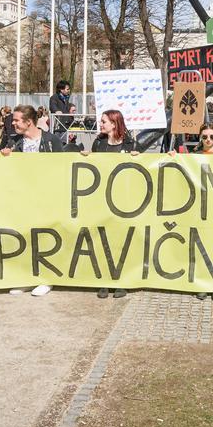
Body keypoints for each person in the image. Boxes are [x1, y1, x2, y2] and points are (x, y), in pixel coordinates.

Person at [0, 105, 64, 296]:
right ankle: (26, 278)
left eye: (17, 120)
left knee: (45, 237)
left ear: (29, 122)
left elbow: (62, 166)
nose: (13, 123)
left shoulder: (51, 141)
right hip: (22, 197)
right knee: (24, 237)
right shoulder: (13, 141)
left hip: (46, 198)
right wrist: (5, 156)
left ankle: (46, 278)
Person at [81, 109, 139, 299]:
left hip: (124, 201)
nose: (101, 124)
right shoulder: (99, 143)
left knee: (121, 241)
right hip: (102, 199)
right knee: (103, 240)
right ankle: (105, 280)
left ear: (114, 123)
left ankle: (121, 281)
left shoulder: (131, 144)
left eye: (104, 121)